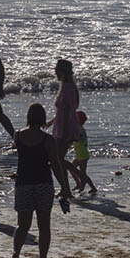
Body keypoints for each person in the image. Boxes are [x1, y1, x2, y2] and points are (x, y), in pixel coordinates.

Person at [11, 103, 69, 258]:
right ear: (43, 118)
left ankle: (16, 254)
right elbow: (55, 164)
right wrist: (64, 185)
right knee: (44, 226)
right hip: (43, 184)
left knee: (22, 225)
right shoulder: (47, 139)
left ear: (28, 117)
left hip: (23, 184)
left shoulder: (18, 136)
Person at [50, 58, 82, 201]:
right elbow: (62, 111)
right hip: (62, 126)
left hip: (65, 128)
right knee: (58, 160)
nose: (55, 73)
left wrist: (63, 132)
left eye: (57, 70)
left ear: (62, 72)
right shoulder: (66, 86)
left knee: (57, 160)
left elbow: (68, 111)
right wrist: (51, 122)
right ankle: (66, 188)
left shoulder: (68, 88)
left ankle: (69, 187)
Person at [72, 109, 97, 194]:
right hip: (80, 154)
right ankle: (79, 184)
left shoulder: (80, 129)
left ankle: (87, 187)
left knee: (82, 173)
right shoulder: (77, 128)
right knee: (72, 168)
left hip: (83, 155)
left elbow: (79, 139)